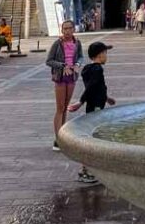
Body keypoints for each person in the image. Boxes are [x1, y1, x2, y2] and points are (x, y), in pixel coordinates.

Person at [69, 41, 115, 184]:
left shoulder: (89, 69)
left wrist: (106, 98)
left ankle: (88, 169)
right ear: (100, 55)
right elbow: (91, 87)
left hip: (95, 104)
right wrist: (80, 101)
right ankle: (85, 170)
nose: (107, 56)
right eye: (105, 53)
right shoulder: (97, 70)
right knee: (94, 138)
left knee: (95, 136)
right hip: (95, 106)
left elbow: (97, 87)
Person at [46, 20, 83, 150]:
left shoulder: (77, 43)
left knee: (65, 107)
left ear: (74, 29)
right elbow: (49, 61)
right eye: (65, 28)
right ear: (62, 30)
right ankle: (57, 139)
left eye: (70, 28)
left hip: (71, 77)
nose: (67, 31)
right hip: (60, 77)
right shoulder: (57, 43)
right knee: (60, 108)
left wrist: (77, 64)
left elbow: (80, 57)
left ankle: (63, 136)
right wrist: (62, 66)